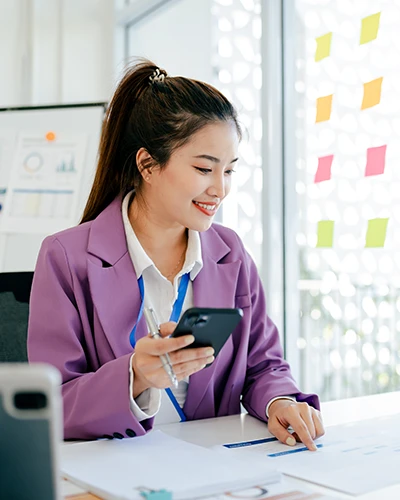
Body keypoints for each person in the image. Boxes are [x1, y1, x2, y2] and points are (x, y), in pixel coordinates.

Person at [28, 60, 324, 448]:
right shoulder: (65, 257)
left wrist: (279, 400)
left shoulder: (230, 252)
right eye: (205, 169)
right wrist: (136, 376)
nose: (220, 189)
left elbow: (264, 365)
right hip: (113, 473)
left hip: (211, 470)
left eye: (229, 171)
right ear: (148, 164)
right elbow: (49, 404)